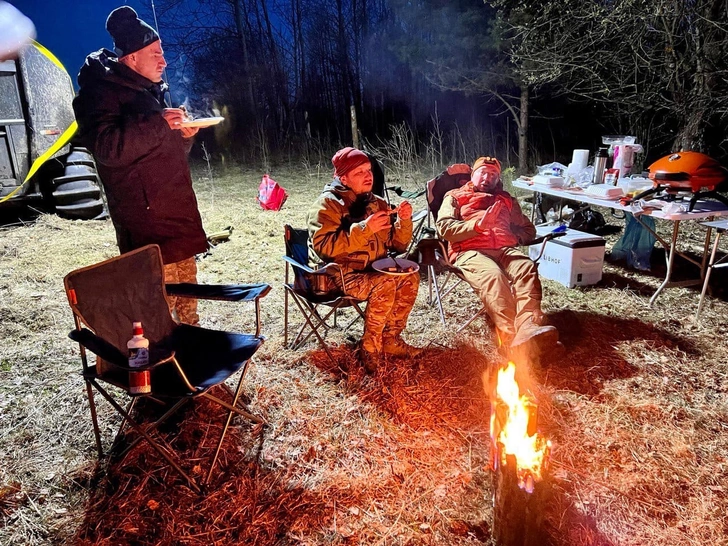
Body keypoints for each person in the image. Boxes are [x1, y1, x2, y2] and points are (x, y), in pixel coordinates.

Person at [73, 6, 208, 325]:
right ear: (131, 57)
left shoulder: (148, 92)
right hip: (147, 227)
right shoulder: (99, 93)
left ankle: (195, 363)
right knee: (157, 313)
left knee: (189, 306)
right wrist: (161, 124)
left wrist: (182, 136)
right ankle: (166, 369)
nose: (164, 60)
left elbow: (154, 151)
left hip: (176, 217)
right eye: (156, 53)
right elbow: (108, 148)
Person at [308, 147, 420, 373]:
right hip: (337, 275)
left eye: (368, 170)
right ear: (343, 177)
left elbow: (397, 245)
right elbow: (324, 248)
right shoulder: (327, 205)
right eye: (359, 172)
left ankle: (390, 340)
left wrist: (404, 221)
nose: (368, 176)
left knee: (410, 277)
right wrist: (364, 230)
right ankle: (369, 349)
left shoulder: (376, 203)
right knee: (385, 283)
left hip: (371, 269)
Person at [436, 156, 559, 358]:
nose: (487, 177)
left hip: (504, 248)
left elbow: (528, 229)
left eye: (492, 174)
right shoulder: (455, 196)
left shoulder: (506, 200)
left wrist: (514, 236)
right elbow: (445, 228)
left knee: (525, 267)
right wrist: (478, 226)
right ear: (472, 175)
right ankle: (511, 340)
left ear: (498, 179)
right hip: (469, 250)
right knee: (494, 276)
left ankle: (528, 326)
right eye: (482, 172)